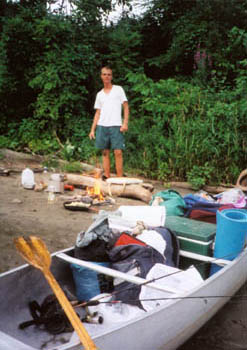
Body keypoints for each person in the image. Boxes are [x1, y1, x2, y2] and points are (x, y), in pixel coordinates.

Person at [89, 66, 129, 179]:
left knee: (118, 152)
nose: (107, 76)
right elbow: (97, 113)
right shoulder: (99, 94)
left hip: (116, 125)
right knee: (105, 152)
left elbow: (126, 106)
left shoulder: (118, 89)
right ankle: (107, 176)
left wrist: (125, 123)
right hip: (102, 126)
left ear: (111, 76)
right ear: (101, 76)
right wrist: (92, 129)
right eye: (104, 74)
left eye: (109, 74)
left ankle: (120, 178)